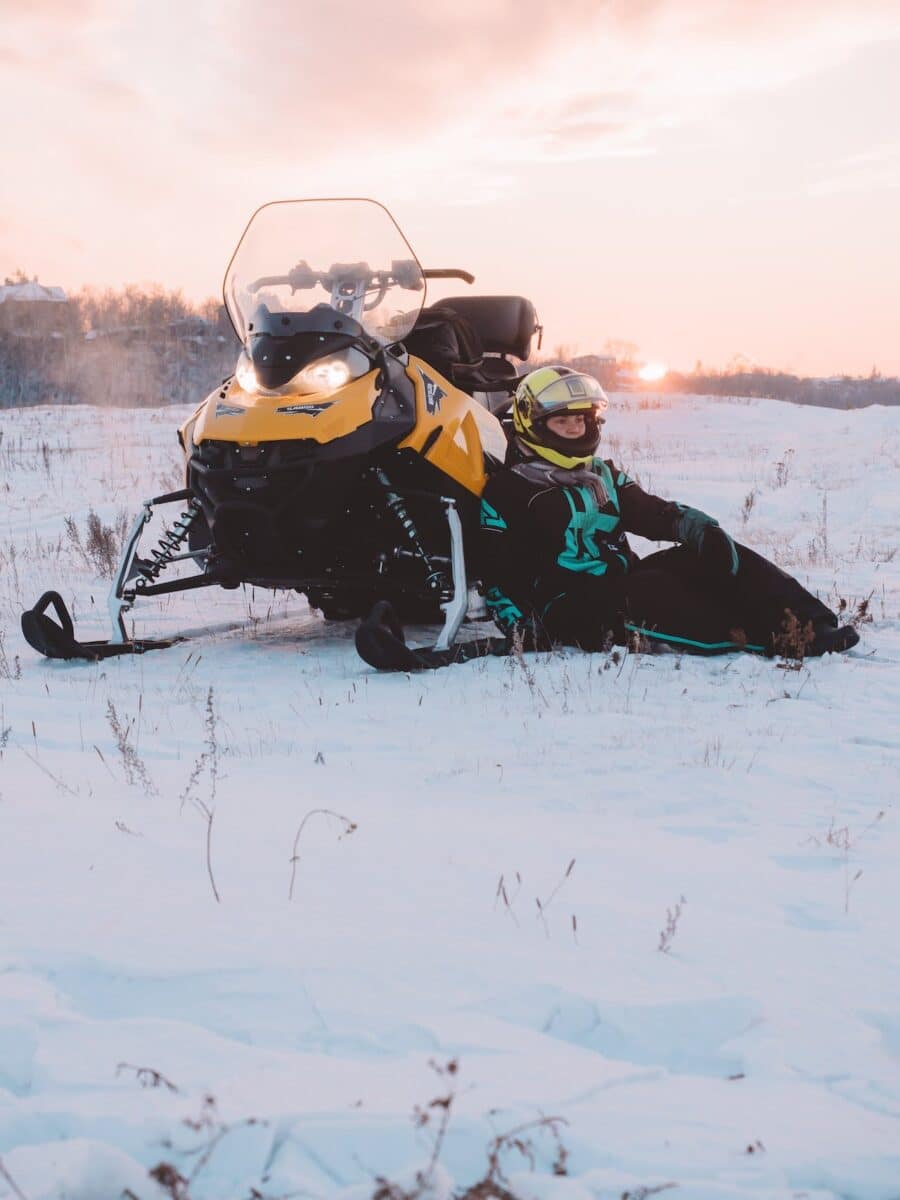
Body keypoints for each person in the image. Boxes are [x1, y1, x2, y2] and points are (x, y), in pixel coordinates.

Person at [479, 365, 859, 658]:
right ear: (534, 423)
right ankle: (771, 640)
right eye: (563, 421)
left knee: (704, 556)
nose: (575, 429)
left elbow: (650, 513)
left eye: (580, 420)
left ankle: (814, 624)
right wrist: (518, 628)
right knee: (654, 591)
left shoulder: (601, 474)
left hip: (620, 578)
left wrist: (698, 529)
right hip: (566, 605)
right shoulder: (510, 489)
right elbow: (494, 571)